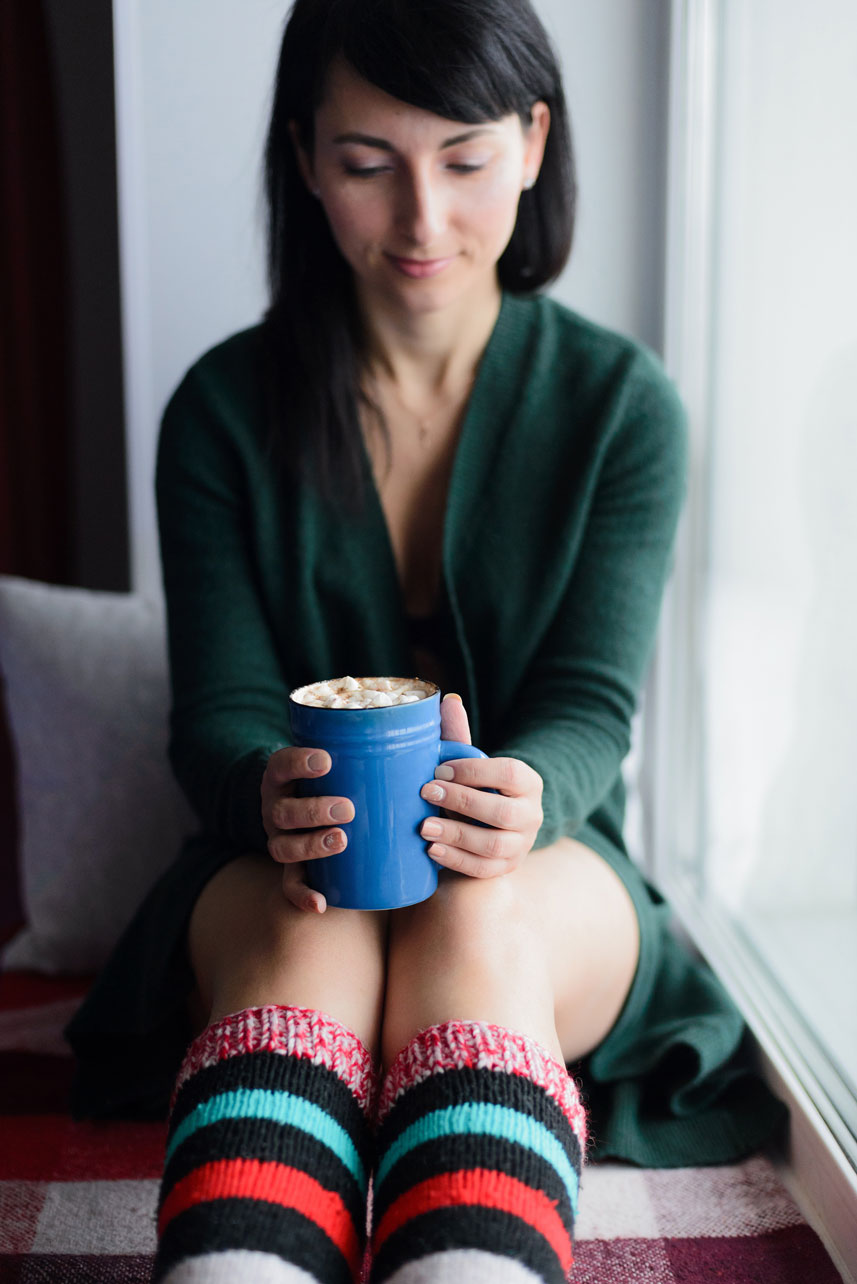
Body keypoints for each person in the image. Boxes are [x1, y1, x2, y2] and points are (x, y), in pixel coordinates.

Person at [66, 0, 787, 1280]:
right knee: (320, 922)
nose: (421, 221)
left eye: (461, 158)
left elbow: (585, 710)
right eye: (365, 164)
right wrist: (267, 792)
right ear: (301, 160)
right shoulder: (221, 414)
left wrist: (519, 801)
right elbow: (219, 712)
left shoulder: (620, 410)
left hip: (545, 854)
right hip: (273, 862)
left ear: (530, 141)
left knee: (475, 919)